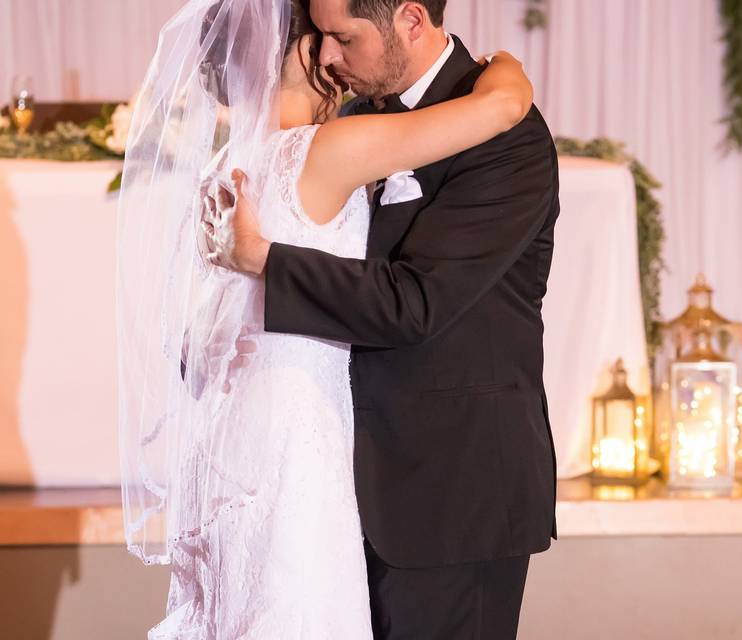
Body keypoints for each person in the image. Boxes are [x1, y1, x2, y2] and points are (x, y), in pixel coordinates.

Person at [116, 0, 544, 638]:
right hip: (311, 461)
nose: (333, 56)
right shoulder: (346, 132)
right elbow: (499, 104)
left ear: (411, 19)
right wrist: (509, 77)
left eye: (342, 37)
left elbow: (417, 303)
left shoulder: (238, 162)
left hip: (442, 488)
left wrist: (253, 276)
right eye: (321, 41)